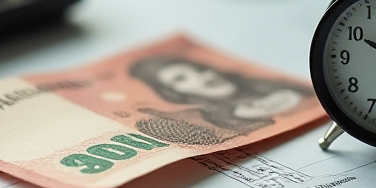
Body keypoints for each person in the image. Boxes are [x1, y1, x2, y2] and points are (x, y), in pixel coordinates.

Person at [129, 56, 311, 145]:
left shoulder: (270, 85)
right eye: (181, 79)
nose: (204, 78)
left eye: (199, 70)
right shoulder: (216, 120)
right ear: (174, 92)